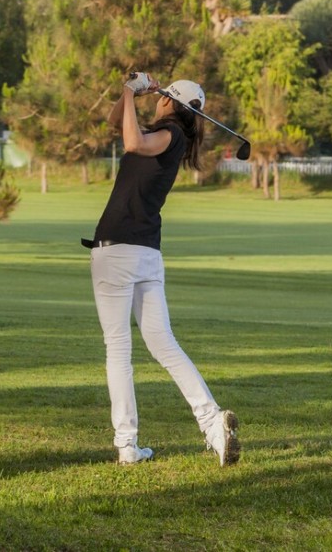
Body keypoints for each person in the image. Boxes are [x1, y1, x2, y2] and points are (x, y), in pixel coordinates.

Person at [83, 72, 240, 466]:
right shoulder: (175, 136)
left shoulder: (167, 134)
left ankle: (127, 445)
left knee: (118, 348)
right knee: (163, 343)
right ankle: (212, 424)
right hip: (146, 254)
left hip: (117, 248)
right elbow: (115, 123)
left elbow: (131, 140)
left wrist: (133, 90)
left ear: (169, 102)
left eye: (161, 96)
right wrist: (129, 91)